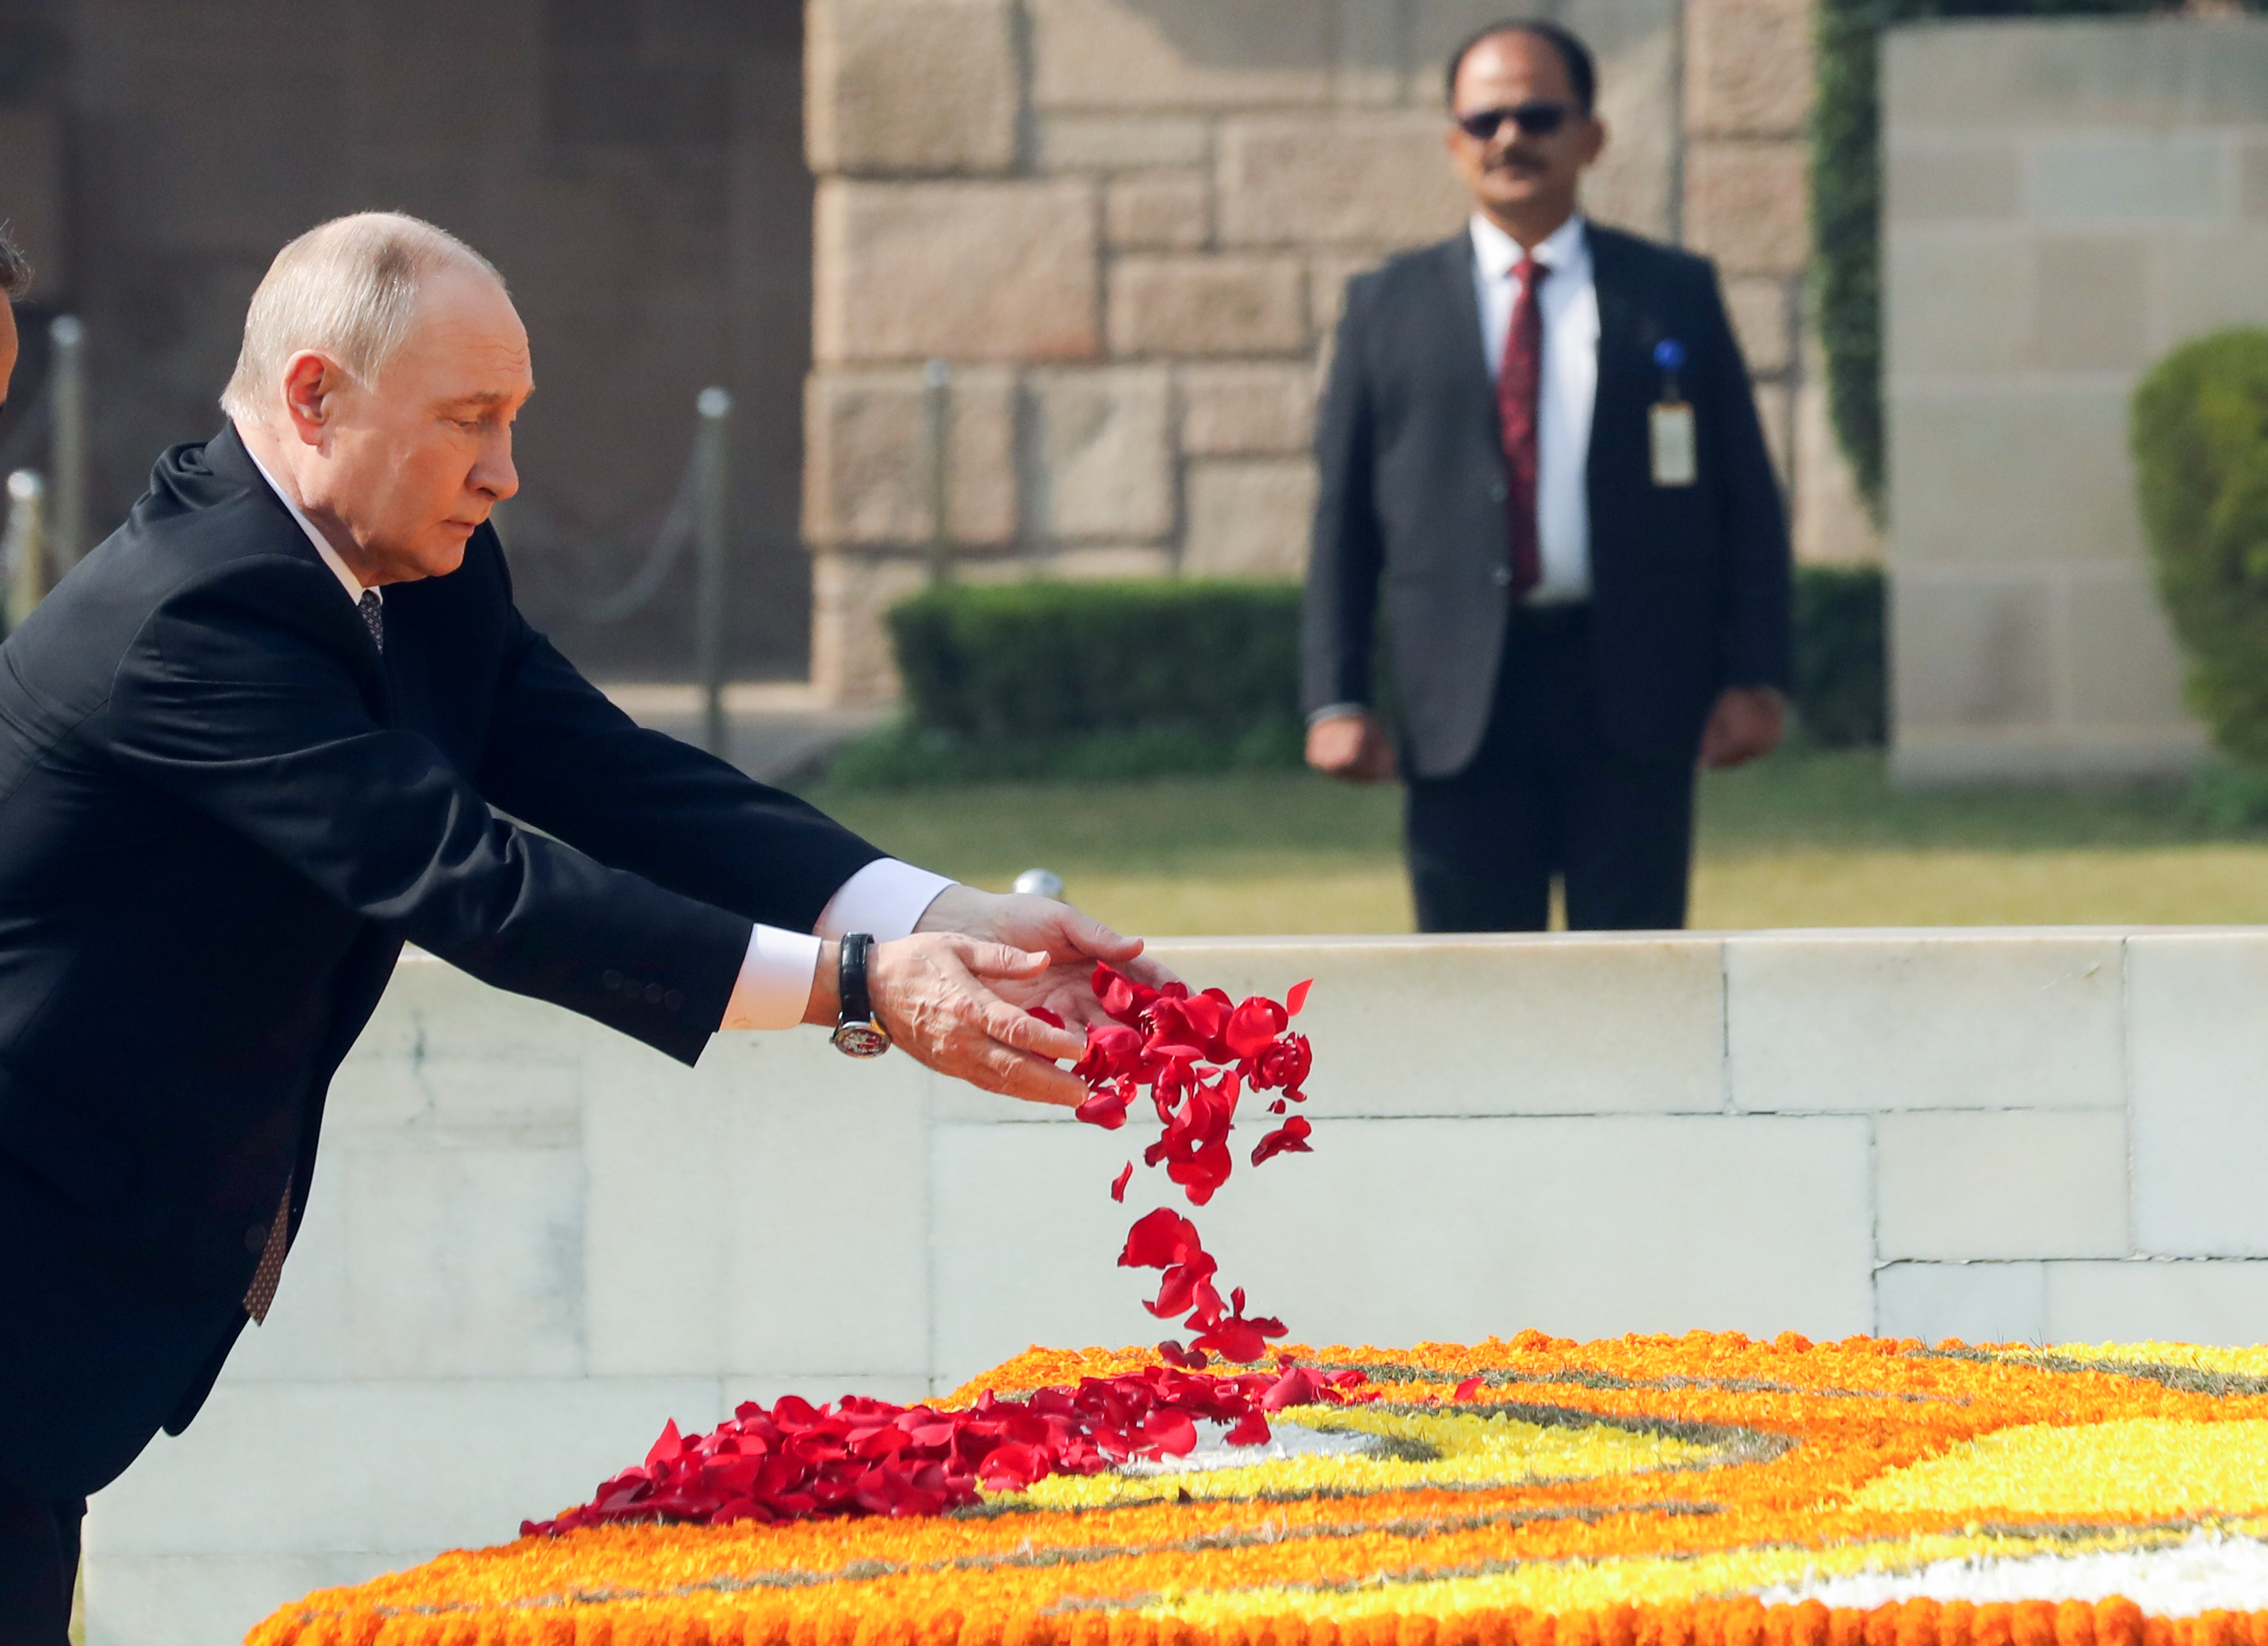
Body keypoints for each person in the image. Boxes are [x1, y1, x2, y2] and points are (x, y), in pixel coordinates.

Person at [0, 213, 1165, 1645]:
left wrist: (938, 915)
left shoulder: (408, 561)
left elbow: (615, 779)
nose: (504, 470)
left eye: (514, 419)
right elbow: (480, 883)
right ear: (314, 399)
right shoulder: (184, 618)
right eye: (470, 421)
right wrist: (861, 989)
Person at [1302, 19, 1792, 933]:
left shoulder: (1671, 293)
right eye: (1483, 121)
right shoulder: (1386, 307)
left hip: (1634, 691)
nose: (1509, 139)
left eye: (1536, 114)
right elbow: (1343, 519)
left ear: (1590, 136)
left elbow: (1744, 500)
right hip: (1459, 705)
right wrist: (1336, 694)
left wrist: (1754, 674)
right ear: (1452, 143)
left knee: (1636, 981)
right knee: (1473, 993)